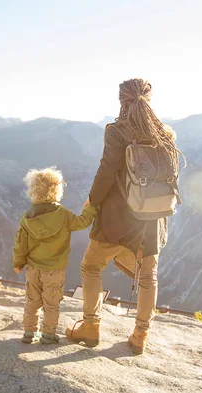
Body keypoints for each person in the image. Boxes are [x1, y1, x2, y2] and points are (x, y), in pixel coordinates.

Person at [66, 78, 182, 354]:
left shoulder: (117, 131)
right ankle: (140, 335)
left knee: (91, 266)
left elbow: (106, 171)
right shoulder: (165, 134)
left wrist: (92, 201)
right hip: (154, 218)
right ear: (149, 100)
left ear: (121, 101)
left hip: (118, 218)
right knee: (147, 276)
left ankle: (91, 327)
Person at [13, 167, 96, 344]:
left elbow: (20, 243)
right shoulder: (63, 214)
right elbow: (82, 222)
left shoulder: (27, 217)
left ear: (33, 191)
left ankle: (29, 333)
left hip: (32, 268)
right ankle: (48, 335)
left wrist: (18, 262)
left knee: (32, 301)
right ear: (56, 191)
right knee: (51, 303)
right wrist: (91, 208)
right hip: (54, 269)